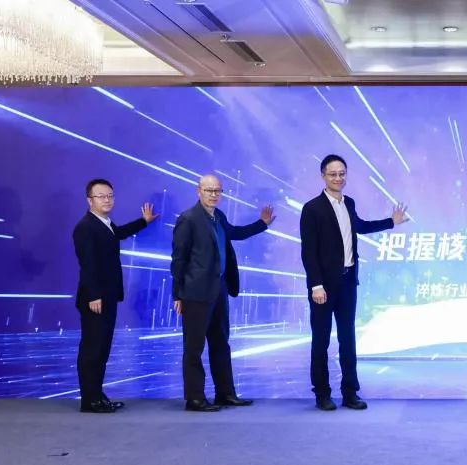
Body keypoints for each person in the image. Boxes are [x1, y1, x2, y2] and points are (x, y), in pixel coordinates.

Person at [300, 154, 408, 411]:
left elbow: (359, 226)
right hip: (323, 287)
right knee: (321, 341)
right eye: (332, 174)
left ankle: (350, 392)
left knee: (348, 339)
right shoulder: (312, 208)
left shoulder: (349, 203)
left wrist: (391, 222)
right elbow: (309, 252)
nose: (338, 178)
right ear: (323, 176)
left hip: (348, 282)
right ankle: (322, 394)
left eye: (342, 174)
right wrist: (316, 285)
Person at [171, 175, 275, 412]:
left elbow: (234, 233)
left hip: (219, 289)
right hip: (195, 292)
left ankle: (225, 393)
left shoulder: (219, 216)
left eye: (218, 191)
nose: (214, 195)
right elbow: (178, 259)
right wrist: (177, 294)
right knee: (194, 347)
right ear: (199, 191)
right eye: (209, 190)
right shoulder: (188, 219)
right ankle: (195, 398)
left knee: (221, 344)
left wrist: (262, 224)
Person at [72, 179, 157, 413]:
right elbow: (87, 264)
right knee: (92, 349)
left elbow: (119, 233)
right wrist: (93, 295)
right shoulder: (85, 227)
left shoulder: (105, 224)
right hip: (95, 299)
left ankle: (97, 396)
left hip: (107, 296)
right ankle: (89, 400)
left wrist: (144, 221)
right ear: (89, 200)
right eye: (101, 196)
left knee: (102, 349)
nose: (107, 200)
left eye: (110, 195)